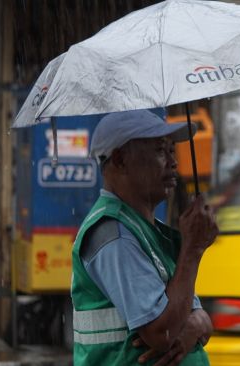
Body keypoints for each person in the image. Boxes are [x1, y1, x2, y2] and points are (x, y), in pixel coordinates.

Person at [71, 109, 218, 365]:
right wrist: (193, 250)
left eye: (172, 151)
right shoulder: (113, 234)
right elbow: (164, 333)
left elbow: (198, 318)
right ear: (120, 160)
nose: (173, 162)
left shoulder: (148, 230)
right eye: (161, 151)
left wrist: (195, 323)